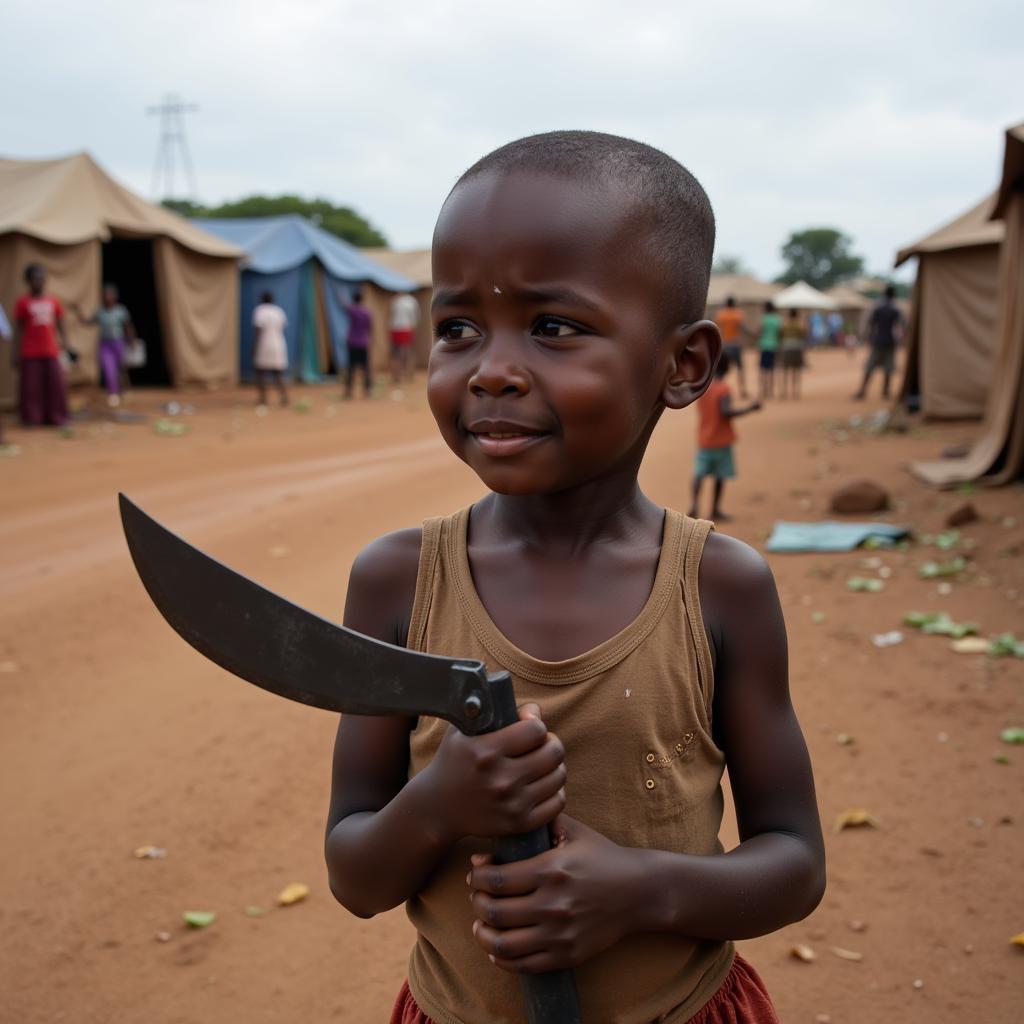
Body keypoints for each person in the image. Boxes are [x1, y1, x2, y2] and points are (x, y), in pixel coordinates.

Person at [325, 131, 824, 1024]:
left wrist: (637, 891)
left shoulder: (720, 587)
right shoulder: (399, 581)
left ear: (684, 366)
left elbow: (793, 862)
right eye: (458, 328)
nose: (493, 370)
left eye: (554, 327)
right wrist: (439, 802)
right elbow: (355, 875)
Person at [688, 352, 761, 522]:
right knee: (719, 477)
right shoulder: (724, 389)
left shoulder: (704, 388)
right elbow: (726, 412)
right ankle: (715, 509)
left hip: (704, 439)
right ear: (728, 368)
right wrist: (750, 409)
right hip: (721, 441)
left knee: (699, 473)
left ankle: (694, 505)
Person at [12, 264, 73, 427]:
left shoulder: (53, 300)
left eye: (41, 278)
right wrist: (15, 353)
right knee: (31, 388)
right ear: (28, 280)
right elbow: (18, 330)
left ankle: (56, 417)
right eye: (34, 278)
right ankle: (32, 418)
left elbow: (60, 325)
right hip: (30, 351)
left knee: (55, 385)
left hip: (51, 350)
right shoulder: (22, 302)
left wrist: (66, 346)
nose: (38, 281)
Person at [71, 284, 135, 408]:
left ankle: (121, 389)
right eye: (105, 294)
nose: (107, 297)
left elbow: (128, 326)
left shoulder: (120, 310)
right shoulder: (100, 312)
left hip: (118, 342)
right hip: (105, 344)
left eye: (110, 294)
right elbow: (88, 322)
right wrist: (78, 312)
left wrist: (131, 340)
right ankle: (113, 393)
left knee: (120, 368)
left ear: (115, 297)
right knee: (108, 367)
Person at [854, 285, 903, 400]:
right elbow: (900, 325)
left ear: (884, 294)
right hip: (890, 341)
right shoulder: (895, 309)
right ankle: (886, 391)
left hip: (878, 340)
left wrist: (869, 337)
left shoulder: (878, 308)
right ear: (894, 295)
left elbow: (871, 323)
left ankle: (862, 391)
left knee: (870, 367)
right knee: (888, 368)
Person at [251, 291, 289, 407]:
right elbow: (282, 327)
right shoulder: (279, 311)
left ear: (262, 299)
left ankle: (263, 398)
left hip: (264, 344)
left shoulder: (259, 311)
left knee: (261, 372)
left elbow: (258, 330)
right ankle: (284, 397)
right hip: (278, 344)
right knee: (278, 373)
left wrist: (254, 346)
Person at [713, 295, 749, 397]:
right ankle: (743, 390)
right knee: (740, 368)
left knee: (720, 368)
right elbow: (742, 328)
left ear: (726, 304)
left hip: (724, 345)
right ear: (734, 304)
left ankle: (717, 390)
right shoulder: (738, 314)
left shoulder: (720, 314)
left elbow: (717, 328)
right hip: (735, 344)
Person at [343, 288, 373, 398]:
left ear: (353, 299)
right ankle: (368, 391)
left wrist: (336, 291)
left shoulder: (352, 310)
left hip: (352, 343)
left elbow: (344, 305)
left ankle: (348, 391)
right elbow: (370, 328)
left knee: (351, 367)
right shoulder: (367, 312)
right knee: (365, 368)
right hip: (363, 342)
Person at [390, 291, 420, 386]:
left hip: (396, 329)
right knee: (407, 352)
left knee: (397, 353)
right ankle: (408, 375)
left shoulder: (395, 300)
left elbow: (390, 315)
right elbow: (416, 317)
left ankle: (398, 376)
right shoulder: (411, 301)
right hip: (406, 328)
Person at [779, 308, 807, 400]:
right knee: (796, 371)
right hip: (797, 348)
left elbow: (781, 334)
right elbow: (803, 334)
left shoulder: (785, 324)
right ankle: (795, 392)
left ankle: (784, 391)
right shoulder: (799, 324)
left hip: (787, 347)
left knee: (786, 370)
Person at [757, 300, 781, 400]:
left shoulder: (764, 319)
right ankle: (770, 392)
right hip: (774, 346)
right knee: (771, 369)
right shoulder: (777, 319)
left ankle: (763, 391)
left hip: (764, 346)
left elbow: (760, 331)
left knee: (763, 369)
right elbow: (779, 333)